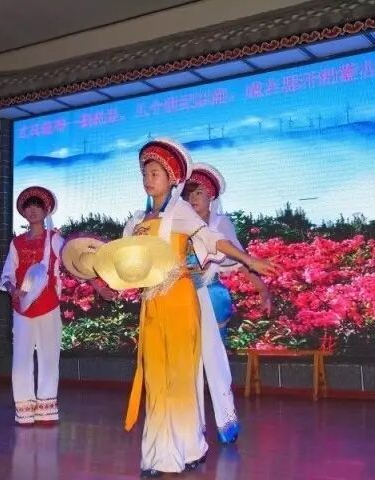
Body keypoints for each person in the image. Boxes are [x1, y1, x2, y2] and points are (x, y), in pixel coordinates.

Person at [118, 139, 276, 478]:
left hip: (180, 299)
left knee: (179, 377)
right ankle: (161, 454)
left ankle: (184, 449)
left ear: (171, 178)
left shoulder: (181, 212)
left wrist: (248, 260)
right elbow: (123, 260)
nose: (148, 179)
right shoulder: (136, 222)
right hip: (151, 304)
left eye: (155, 173)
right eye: (145, 173)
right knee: (156, 380)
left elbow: (211, 240)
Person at [0, 186, 112, 426]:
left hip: (48, 306)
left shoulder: (54, 239)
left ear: (46, 210)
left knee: (49, 358)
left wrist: (99, 286)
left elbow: (75, 264)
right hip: (22, 307)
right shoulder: (16, 243)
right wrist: (12, 290)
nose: (32, 210)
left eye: (37, 206)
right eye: (28, 206)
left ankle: (46, 409)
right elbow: (8, 274)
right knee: (21, 359)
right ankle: (24, 409)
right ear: (23, 211)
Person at [184, 163, 272, 445]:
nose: (193, 198)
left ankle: (226, 422)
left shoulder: (219, 224)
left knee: (214, 360)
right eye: (189, 193)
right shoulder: (179, 224)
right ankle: (192, 425)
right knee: (188, 364)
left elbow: (240, 259)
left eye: (199, 193)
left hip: (211, 296)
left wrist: (262, 289)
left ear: (211, 196)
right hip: (182, 298)